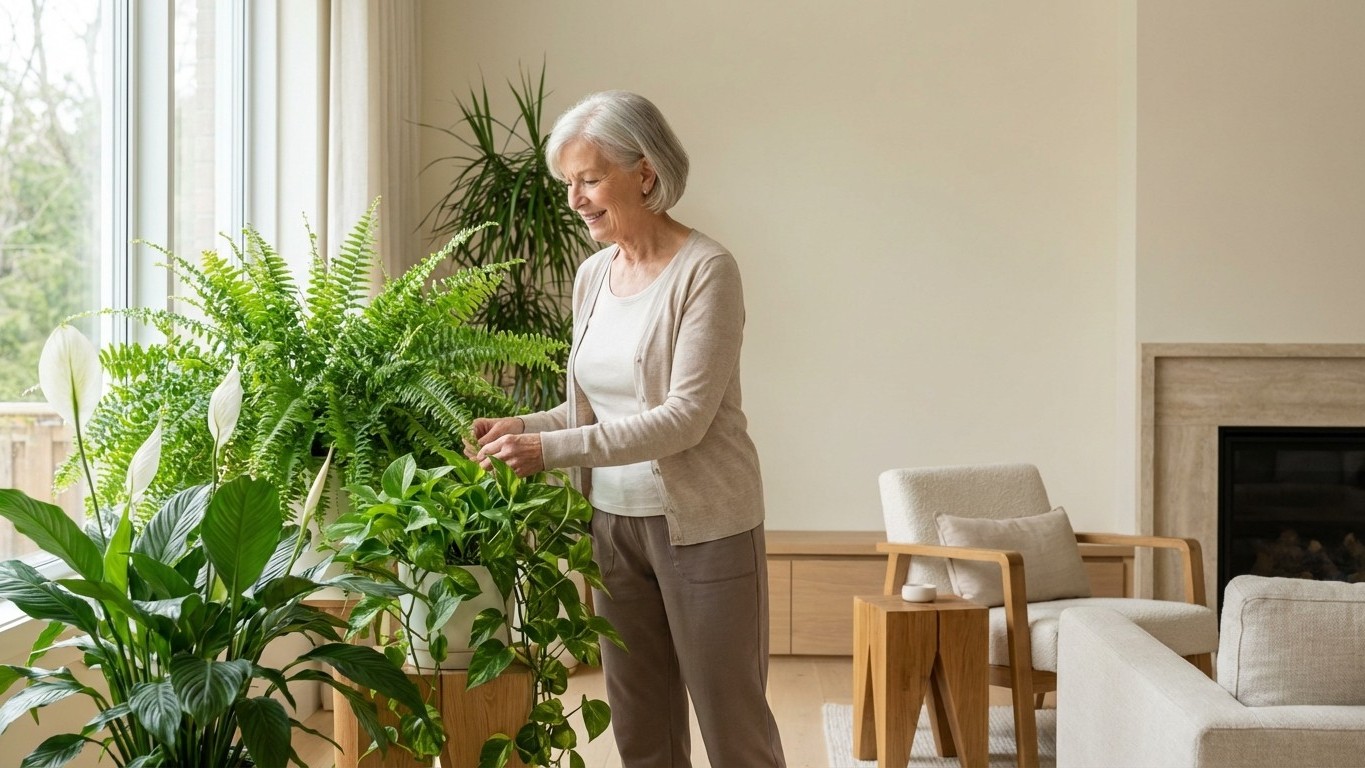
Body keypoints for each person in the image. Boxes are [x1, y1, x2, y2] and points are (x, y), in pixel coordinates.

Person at [469, 90, 786, 768]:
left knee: (732, 727)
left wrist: (545, 450)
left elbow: (682, 418)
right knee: (641, 728)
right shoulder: (592, 275)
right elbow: (590, 412)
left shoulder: (705, 270)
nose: (576, 199)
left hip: (704, 529)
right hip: (611, 526)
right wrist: (521, 425)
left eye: (588, 179)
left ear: (643, 173)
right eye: (568, 185)